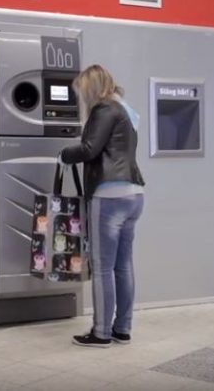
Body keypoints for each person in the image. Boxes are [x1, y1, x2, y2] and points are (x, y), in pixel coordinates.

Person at [59, 64, 145, 348]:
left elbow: (89, 149)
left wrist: (64, 154)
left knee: (102, 267)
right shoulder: (127, 110)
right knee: (123, 265)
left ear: (92, 88)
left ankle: (101, 332)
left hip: (109, 195)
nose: (82, 99)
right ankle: (122, 328)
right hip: (134, 194)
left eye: (83, 92)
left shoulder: (104, 108)